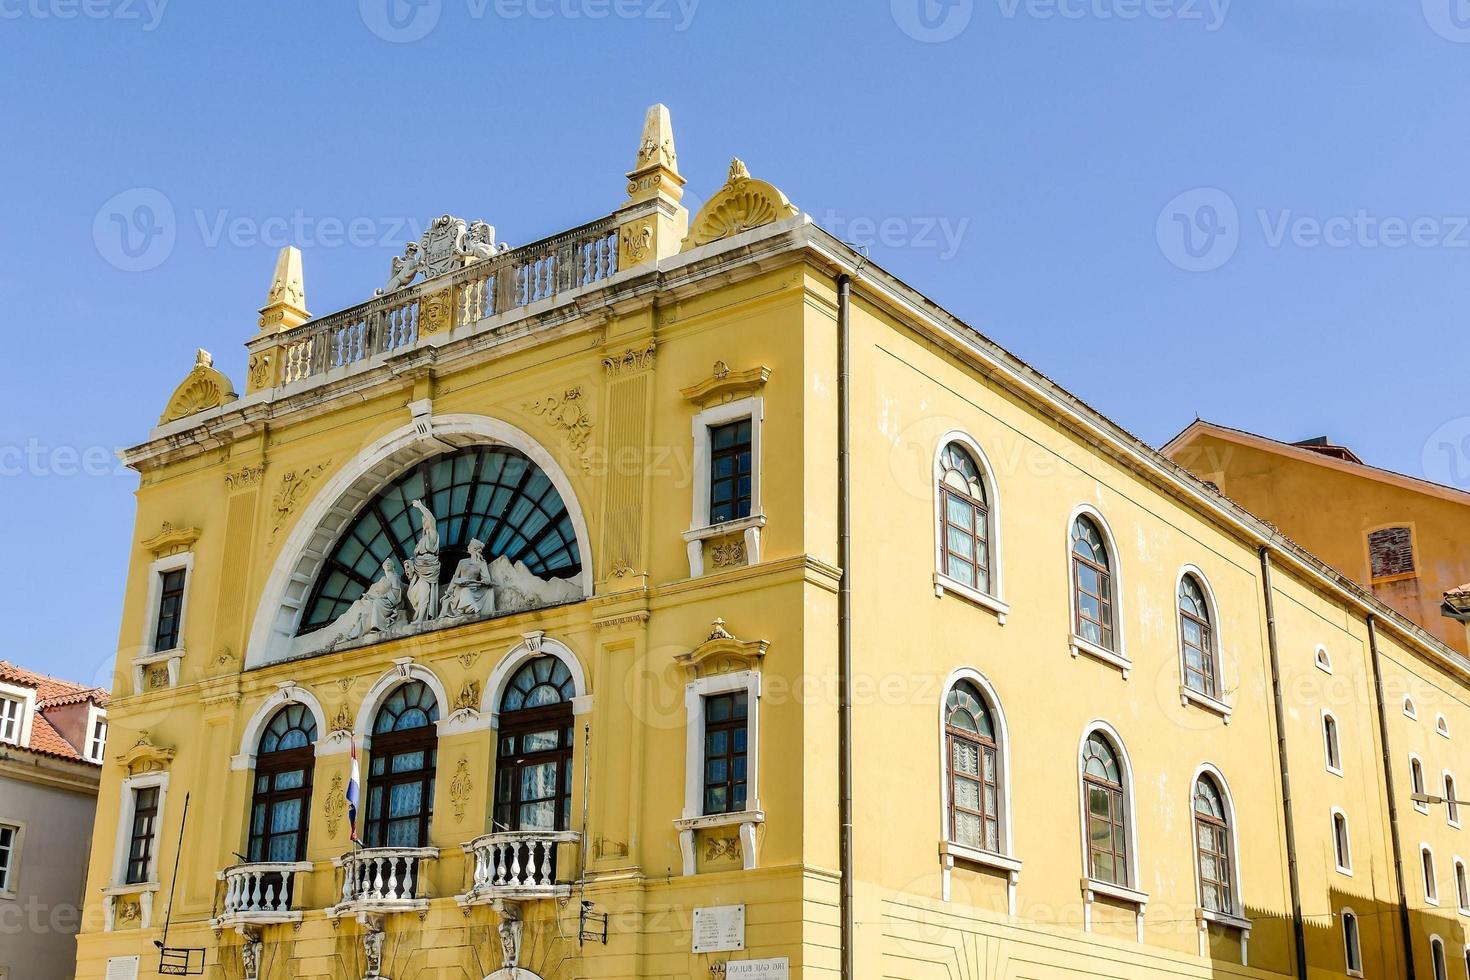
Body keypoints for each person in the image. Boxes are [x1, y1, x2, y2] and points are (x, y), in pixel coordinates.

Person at [442, 538, 494, 618]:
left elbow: (487, 579)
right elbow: (455, 578)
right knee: (465, 591)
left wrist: (485, 581)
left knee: (467, 591)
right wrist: (448, 593)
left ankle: (465, 610)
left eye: (470, 545)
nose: (468, 547)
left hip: (474, 588)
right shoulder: (462, 562)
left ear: (474, 548)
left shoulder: (481, 563)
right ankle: (471, 608)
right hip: (459, 589)